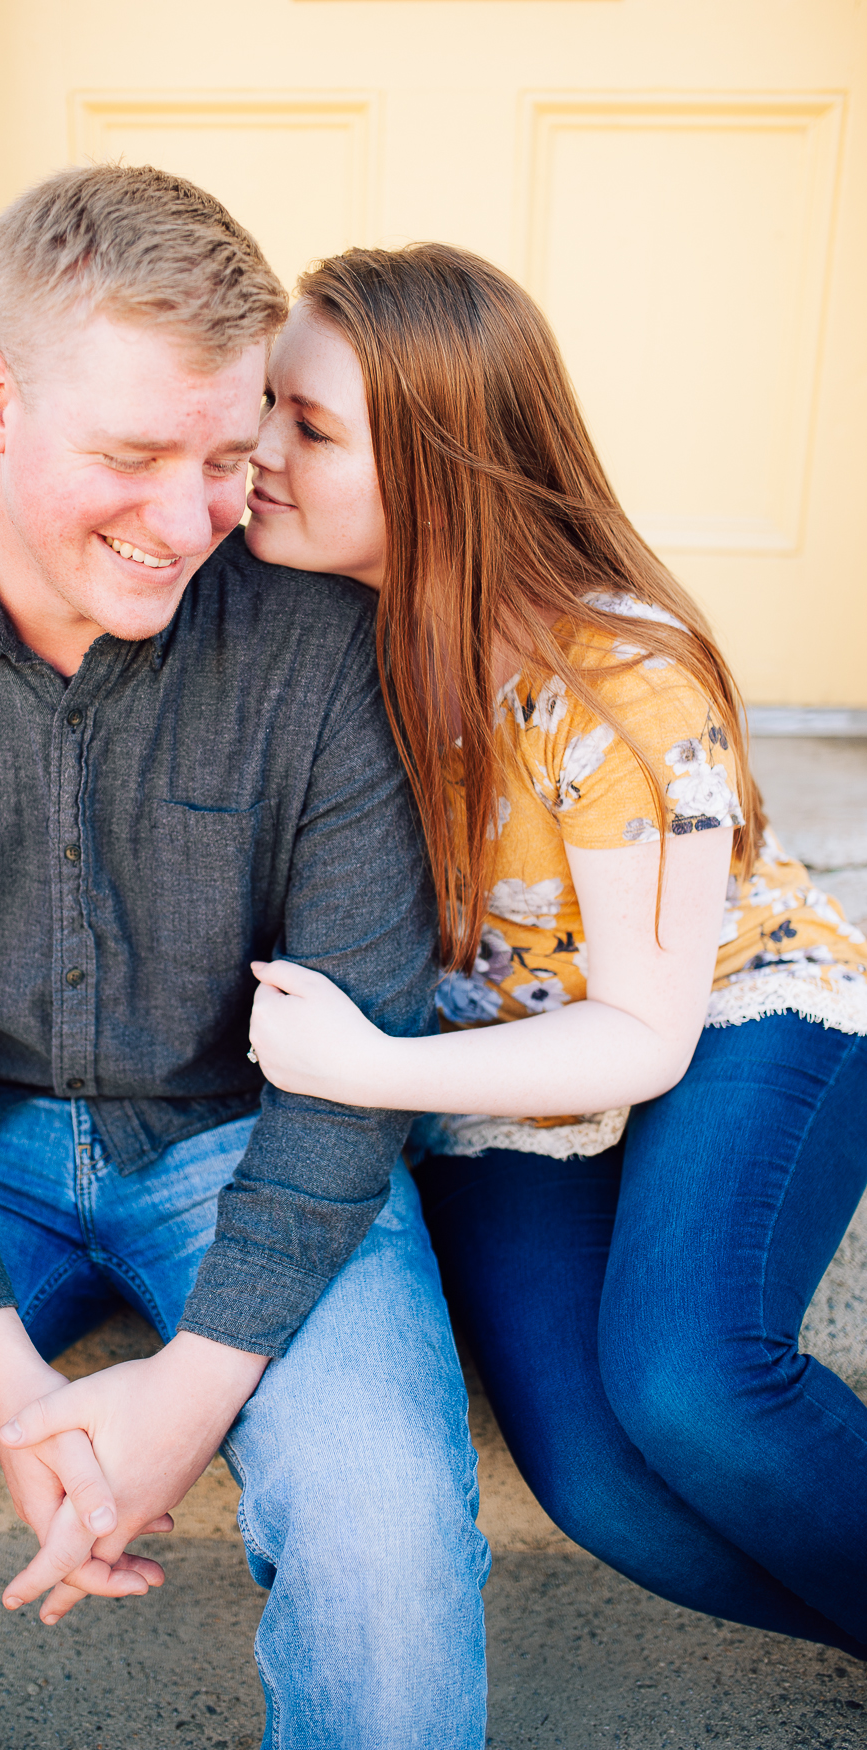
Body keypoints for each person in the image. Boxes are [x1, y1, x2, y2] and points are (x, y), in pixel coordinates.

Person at [0, 173, 489, 1749]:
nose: (191, 516)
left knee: (390, 1530)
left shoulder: (329, 648)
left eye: (227, 457)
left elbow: (365, 1043)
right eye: (131, 455)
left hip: (254, 1140)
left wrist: (184, 1398)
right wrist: (19, 1394)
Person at [233, 243, 867, 1659]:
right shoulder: (316, 624)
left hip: (730, 1007)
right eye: (267, 405)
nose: (257, 451)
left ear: (444, 464)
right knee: (590, 1477)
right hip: (496, 1073)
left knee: (690, 1382)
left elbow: (646, 1029)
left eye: (312, 428)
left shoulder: (617, 682)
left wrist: (369, 1065)